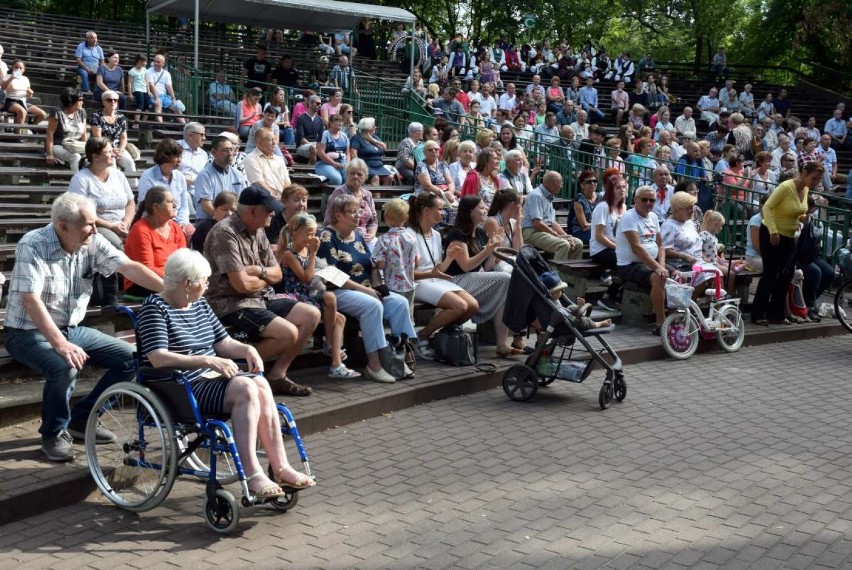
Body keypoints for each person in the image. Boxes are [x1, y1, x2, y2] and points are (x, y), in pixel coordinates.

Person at [138, 248, 315, 495]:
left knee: (260, 383)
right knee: (245, 388)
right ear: (187, 283)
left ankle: (281, 467)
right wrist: (207, 362)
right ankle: (253, 473)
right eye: (204, 281)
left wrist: (247, 350)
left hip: (209, 377)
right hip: (180, 384)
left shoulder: (199, 303)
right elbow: (157, 358)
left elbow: (223, 342)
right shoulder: (154, 308)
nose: (207, 286)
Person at [5, 193, 163, 461]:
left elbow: (129, 267)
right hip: (26, 332)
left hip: (72, 328)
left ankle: (84, 418)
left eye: (94, 223)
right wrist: (61, 343)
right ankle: (53, 433)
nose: (94, 229)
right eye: (88, 224)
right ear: (63, 225)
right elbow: (30, 299)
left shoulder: (92, 240)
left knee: (132, 358)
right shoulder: (33, 244)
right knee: (64, 365)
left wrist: (169, 291)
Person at [204, 185, 320, 396]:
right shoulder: (224, 233)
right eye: (268, 210)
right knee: (287, 333)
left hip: (259, 298)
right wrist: (266, 278)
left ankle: (277, 375)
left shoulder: (258, 230)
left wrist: (258, 271)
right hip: (230, 303)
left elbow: (277, 274)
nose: (273, 214)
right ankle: (231, 374)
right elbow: (241, 286)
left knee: (311, 314)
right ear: (252, 211)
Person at [318, 194, 418, 383]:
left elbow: (370, 265)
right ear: (338, 215)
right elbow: (330, 273)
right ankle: (374, 365)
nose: (358, 215)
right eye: (352, 212)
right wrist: (366, 291)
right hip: (338, 292)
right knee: (372, 306)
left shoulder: (357, 234)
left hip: (365, 290)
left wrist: (379, 288)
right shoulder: (326, 236)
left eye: (359, 211)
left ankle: (398, 356)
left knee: (399, 302)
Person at [278, 213, 358, 379]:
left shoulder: (308, 249)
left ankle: (336, 364)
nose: (312, 238)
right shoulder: (289, 254)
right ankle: (329, 346)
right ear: (294, 233)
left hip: (311, 295)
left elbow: (325, 271)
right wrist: (314, 253)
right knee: (330, 300)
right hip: (297, 296)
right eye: (308, 234)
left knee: (339, 316)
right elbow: (306, 278)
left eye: (314, 234)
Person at [751, 162, 825, 325]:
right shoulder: (786, 187)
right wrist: (773, 230)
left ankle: (776, 313)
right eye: (814, 178)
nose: (815, 182)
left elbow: (798, 210)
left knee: (786, 274)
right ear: (804, 173)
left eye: (818, 180)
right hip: (772, 234)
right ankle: (758, 313)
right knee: (771, 274)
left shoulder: (805, 190)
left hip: (790, 236)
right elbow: (768, 207)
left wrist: (801, 218)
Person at [443, 195, 517, 357]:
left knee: (505, 292)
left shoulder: (481, 233)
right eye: (481, 208)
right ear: (470, 211)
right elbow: (466, 266)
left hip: (474, 278)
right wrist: (487, 250)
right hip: (456, 280)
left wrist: (494, 247)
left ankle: (502, 344)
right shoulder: (457, 234)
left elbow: (487, 267)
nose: (485, 210)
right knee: (505, 278)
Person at [615, 185, 668, 334]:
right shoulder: (629, 217)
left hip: (651, 262)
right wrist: (658, 268)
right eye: (644, 200)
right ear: (635, 200)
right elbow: (636, 248)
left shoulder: (654, 217)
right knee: (659, 278)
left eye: (652, 200)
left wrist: (661, 265)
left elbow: (661, 246)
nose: (648, 203)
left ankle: (674, 317)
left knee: (678, 274)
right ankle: (661, 322)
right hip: (629, 264)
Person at [68, 137, 135, 249]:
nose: (113, 154)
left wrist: (126, 223)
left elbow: (130, 203)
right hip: (96, 228)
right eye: (109, 152)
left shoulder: (118, 175)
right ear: (95, 157)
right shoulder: (81, 179)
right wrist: (112, 226)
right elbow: (81, 212)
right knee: (123, 249)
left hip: (123, 226)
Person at [124, 185, 187, 297]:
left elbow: (185, 259)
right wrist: (175, 280)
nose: (175, 205)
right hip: (142, 282)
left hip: (173, 280)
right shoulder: (141, 230)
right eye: (170, 202)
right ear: (156, 207)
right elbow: (146, 269)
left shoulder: (175, 228)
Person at [522, 170, 583, 262]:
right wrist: (557, 235)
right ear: (554, 184)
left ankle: (572, 276)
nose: (562, 186)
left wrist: (566, 236)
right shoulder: (536, 195)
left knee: (577, 243)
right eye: (561, 183)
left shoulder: (548, 196)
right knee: (563, 245)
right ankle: (557, 275)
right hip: (532, 232)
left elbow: (552, 222)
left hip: (543, 231)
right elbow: (537, 223)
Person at [372, 199, 419, 314]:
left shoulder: (383, 239)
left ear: (385, 216)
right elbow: (417, 261)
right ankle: (408, 332)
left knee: (395, 314)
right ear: (406, 218)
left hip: (393, 286)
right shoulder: (411, 238)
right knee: (408, 314)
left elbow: (381, 265)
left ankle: (396, 332)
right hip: (410, 284)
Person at [138, 138, 193, 238]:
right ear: (165, 157)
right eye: (176, 156)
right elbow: (147, 208)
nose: (180, 160)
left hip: (178, 220)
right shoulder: (147, 176)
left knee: (192, 233)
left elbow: (184, 206)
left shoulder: (180, 177)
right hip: (156, 221)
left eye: (180, 156)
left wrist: (182, 222)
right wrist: (170, 224)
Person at [322, 159, 379, 247]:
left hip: (365, 238)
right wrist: (353, 233)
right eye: (352, 173)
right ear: (347, 175)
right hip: (342, 236)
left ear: (365, 177)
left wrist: (371, 234)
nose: (356, 176)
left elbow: (373, 220)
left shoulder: (368, 195)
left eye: (359, 174)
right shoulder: (339, 193)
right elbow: (332, 219)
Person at [194, 135, 248, 221]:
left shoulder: (238, 174)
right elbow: (206, 205)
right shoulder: (205, 175)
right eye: (225, 150)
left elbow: (243, 202)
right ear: (214, 152)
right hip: (210, 220)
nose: (230, 154)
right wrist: (225, 222)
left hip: (232, 221)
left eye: (231, 149)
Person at [88, 90, 135, 174]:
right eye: (109, 100)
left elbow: (124, 137)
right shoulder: (96, 116)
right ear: (103, 102)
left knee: (130, 163)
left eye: (115, 100)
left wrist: (120, 150)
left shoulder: (121, 117)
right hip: (102, 147)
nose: (113, 102)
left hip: (118, 147)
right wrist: (110, 150)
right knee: (112, 164)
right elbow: (98, 137)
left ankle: (133, 186)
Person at [45, 87, 87, 172]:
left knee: (94, 155)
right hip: (59, 144)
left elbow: (84, 134)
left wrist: (86, 148)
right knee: (76, 156)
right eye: (80, 100)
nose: (82, 102)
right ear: (71, 101)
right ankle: (79, 182)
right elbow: (50, 134)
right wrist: (49, 154)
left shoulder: (81, 112)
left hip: (76, 145)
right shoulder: (57, 112)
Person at [0, 59, 47, 131]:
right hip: (10, 101)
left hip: (23, 101)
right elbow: (3, 87)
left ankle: (32, 126)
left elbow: (28, 96)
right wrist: (12, 77)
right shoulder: (7, 76)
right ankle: (18, 135)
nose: (18, 69)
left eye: (20, 68)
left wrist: (30, 93)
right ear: (12, 67)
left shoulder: (25, 79)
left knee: (42, 114)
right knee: (22, 111)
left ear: (24, 70)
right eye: (16, 67)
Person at [244, 127, 291, 197]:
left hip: (282, 198)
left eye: (274, 139)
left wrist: (285, 196)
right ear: (259, 143)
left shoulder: (279, 160)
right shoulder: (251, 159)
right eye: (270, 140)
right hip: (263, 199)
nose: (274, 142)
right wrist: (274, 196)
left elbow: (287, 182)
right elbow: (258, 183)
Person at [350, 117, 392, 185]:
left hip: (379, 166)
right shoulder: (357, 138)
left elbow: (384, 147)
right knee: (375, 178)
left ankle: (382, 196)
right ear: (368, 127)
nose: (375, 127)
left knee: (389, 177)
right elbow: (353, 154)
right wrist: (360, 167)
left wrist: (372, 140)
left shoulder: (374, 137)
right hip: (366, 166)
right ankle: (375, 196)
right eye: (373, 126)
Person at [145, 53, 185, 123]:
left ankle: (184, 126)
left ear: (163, 64)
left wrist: (173, 98)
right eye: (154, 61)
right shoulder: (149, 71)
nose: (156, 63)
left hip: (164, 95)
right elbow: (151, 86)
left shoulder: (166, 73)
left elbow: (169, 87)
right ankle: (161, 125)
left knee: (176, 107)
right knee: (158, 104)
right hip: (152, 95)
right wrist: (157, 97)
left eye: (158, 62)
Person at [295, 95, 325, 164]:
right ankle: (311, 169)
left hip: (315, 145)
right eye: (317, 103)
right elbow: (301, 139)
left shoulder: (320, 119)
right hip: (302, 146)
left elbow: (322, 137)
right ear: (310, 103)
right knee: (313, 148)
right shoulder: (301, 118)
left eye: (320, 104)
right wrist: (314, 145)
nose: (320, 106)